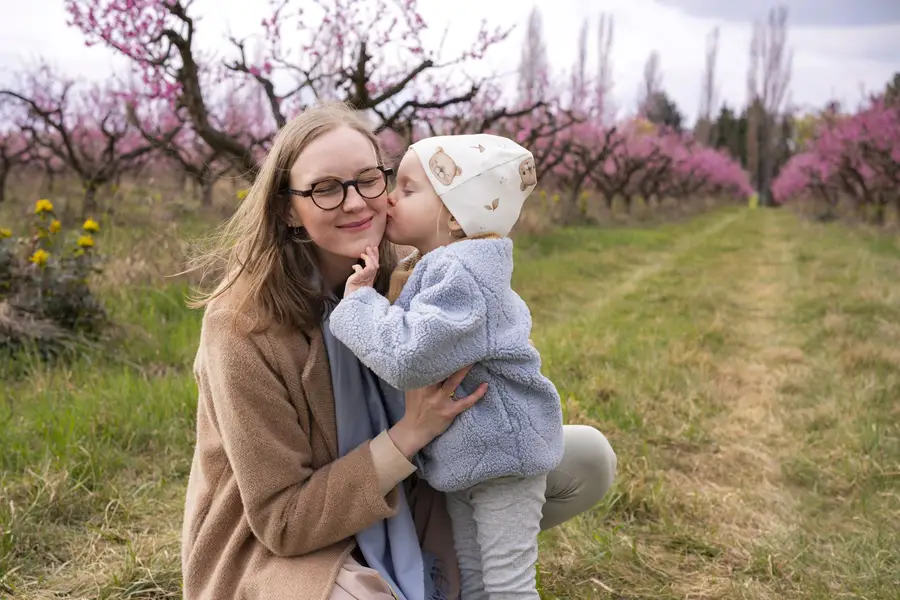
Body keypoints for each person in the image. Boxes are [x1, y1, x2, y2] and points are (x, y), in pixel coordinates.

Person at [180, 100, 618, 600]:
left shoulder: (411, 272)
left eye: (369, 179)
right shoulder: (241, 327)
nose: (356, 203)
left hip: (404, 499)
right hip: (286, 547)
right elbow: (284, 523)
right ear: (287, 209)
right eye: (325, 188)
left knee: (587, 459)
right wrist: (410, 434)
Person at [328, 133, 563, 600]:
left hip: (502, 455)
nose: (389, 198)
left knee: (508, 583)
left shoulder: (462, 272)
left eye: (408, 190)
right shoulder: (435, 265)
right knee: (472, 578)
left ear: (455, 215)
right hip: (474, 456)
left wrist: (358, 303)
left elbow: (408, 356)